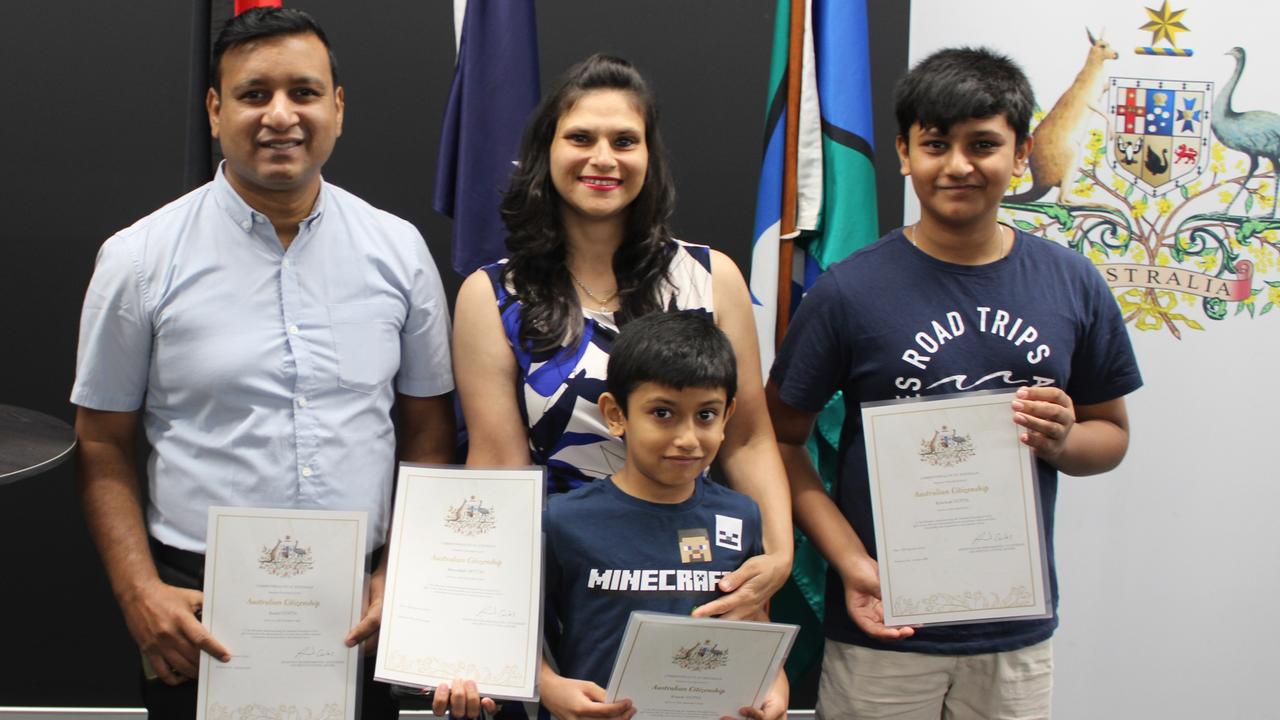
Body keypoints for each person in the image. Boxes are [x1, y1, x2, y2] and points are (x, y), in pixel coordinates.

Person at [70, 8, 454, 717]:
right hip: (195, 608)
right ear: (215, 111)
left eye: (304, 92)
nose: (281, 115)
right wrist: (138, 592)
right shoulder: (138, 260)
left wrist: (403, 571)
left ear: (338, 107)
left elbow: (429, 431)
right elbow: (101, 442)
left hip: (359, 610)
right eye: (253, 95)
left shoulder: (399, 253)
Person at [766, 47, 1143, 719]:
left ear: (1022, 152)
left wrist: (1062, 441)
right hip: (883, 623)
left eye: (984, 144)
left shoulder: (1071, 283)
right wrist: (851, 561)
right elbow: (782, 443)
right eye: (936, 144)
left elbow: (1109, 436)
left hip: (1014, 631)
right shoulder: (850, 291)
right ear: (905, 153)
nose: (960, 165)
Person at [538, 311, 787, 720]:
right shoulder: (563, 520)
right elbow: (518, 634)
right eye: (662, 413)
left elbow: (755, 626)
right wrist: (547, 685)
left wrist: (775, 685)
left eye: (706, 414)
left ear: (728, 416)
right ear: (616, 415)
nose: (687, 439)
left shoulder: (742, 516)